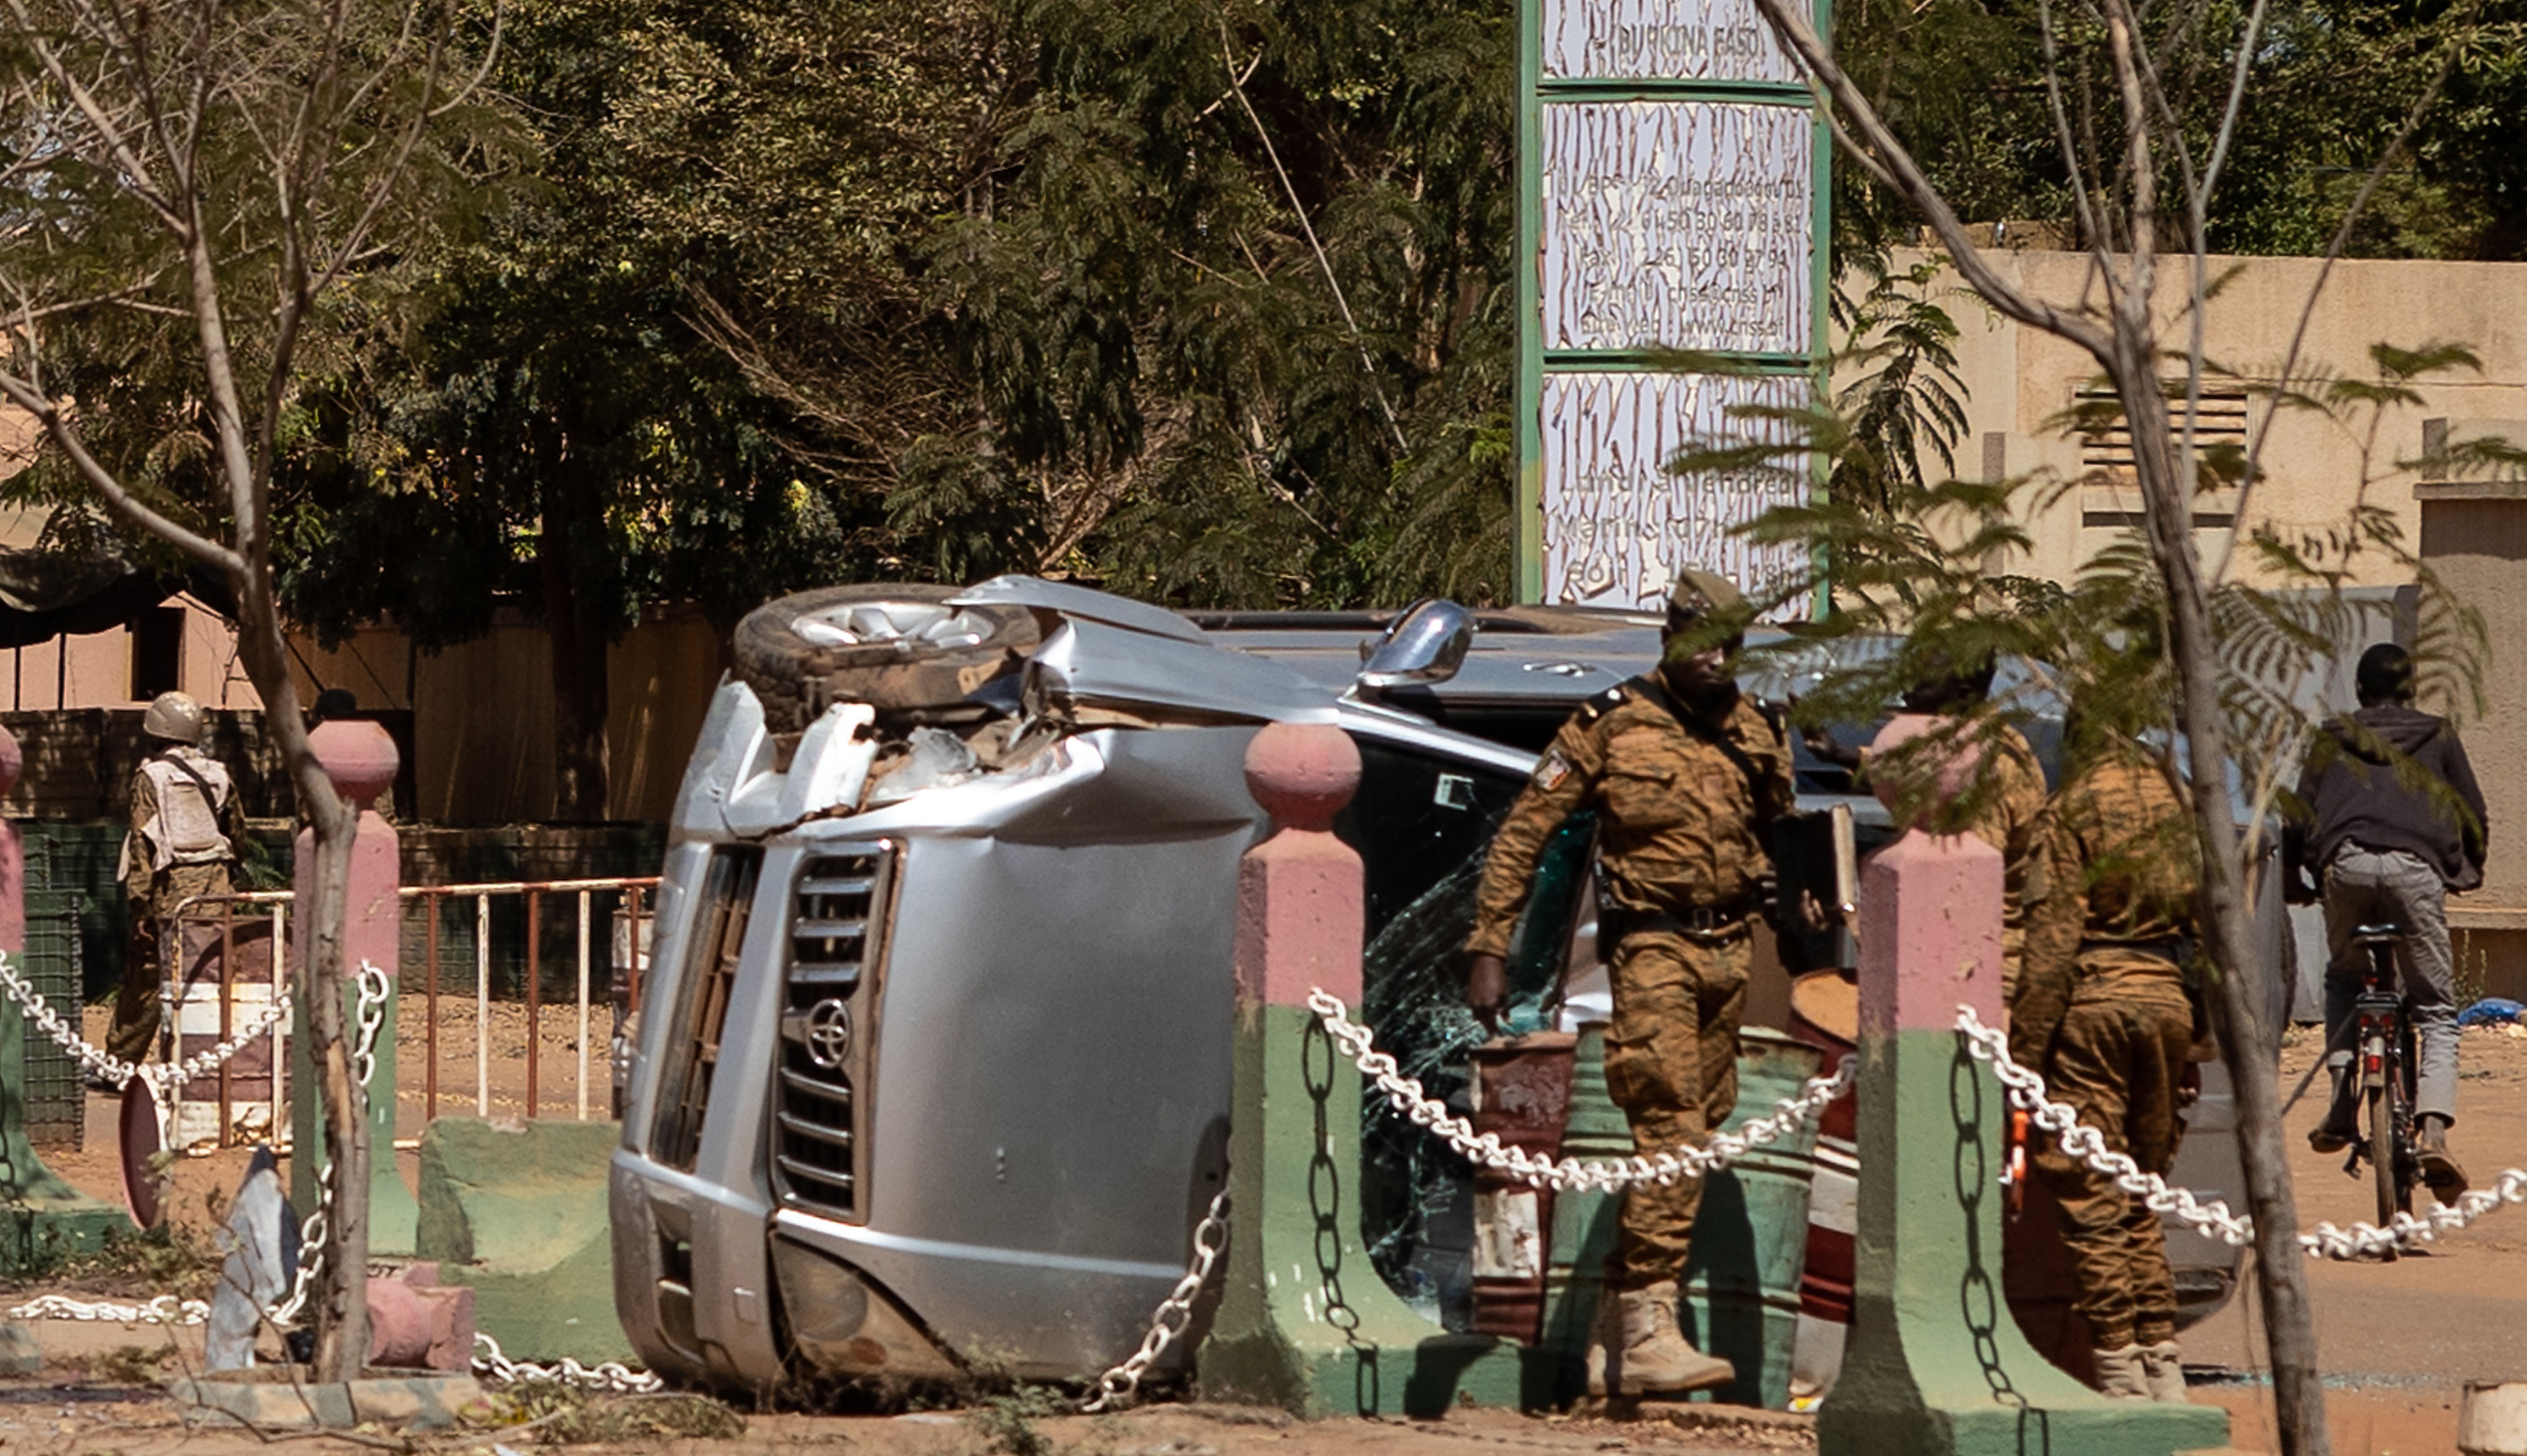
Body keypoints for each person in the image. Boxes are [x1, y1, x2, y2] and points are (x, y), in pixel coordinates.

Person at [1464, 568, 1796, 1397]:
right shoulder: (1608, 725)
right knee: (1673, 1129)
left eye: (1731, 641)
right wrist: (1489, 945)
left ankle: (1615, 1337)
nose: (1716, 658)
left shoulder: (1757, 728)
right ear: (1668, 634)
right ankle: (1650, 1329)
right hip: (1651, 949)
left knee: (1700, 1124)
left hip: (1731, 950)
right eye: (1700, 639)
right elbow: (1523, 836)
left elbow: (1782, 838)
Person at [2010, 714, 2203, 1404]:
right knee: (2142, 1191)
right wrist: (2197, 1042)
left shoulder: (2073, 807)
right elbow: (2210, 929)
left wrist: (2024, 1061)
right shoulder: (2178, 802)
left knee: (2093, 1191)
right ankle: (2162, 1359)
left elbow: (2052, 943)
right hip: (2169, 1005)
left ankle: (2118, 1366)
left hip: (2095, 1004)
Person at [2285, 642, 2486, 1196]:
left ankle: (2341, 1105)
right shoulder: (2438, 734)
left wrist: (2294, 884)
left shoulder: (2332, 735)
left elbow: (2296, 814)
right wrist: (2469, 869)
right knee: (2436, 1008)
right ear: (2410, 690)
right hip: (2416, 869)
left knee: (2344, 980)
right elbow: (2473, 811)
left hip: (2344, 865)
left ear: (2360, 692)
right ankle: (2434, 1134)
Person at [1802, 655, 2049, 991]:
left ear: (1962, 693)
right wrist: (1842, 754)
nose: (1908, 692)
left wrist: (1858, 918)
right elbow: (1922, 770)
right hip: (1942, 961)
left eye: (1924, 682)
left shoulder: (1991, 764)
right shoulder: (1958, 746)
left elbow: (1965, 888)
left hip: (1974, 971)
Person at [102, 690, 247, 1084]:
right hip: (217, 886)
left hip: (172, 888)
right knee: (210, 972)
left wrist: (139, 905)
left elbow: (142, 844)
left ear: (156, 732)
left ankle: (121, 1064)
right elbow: (237, 832)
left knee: (150, 974)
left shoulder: (151, 777)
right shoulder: (219, 774)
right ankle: (208, 1062)